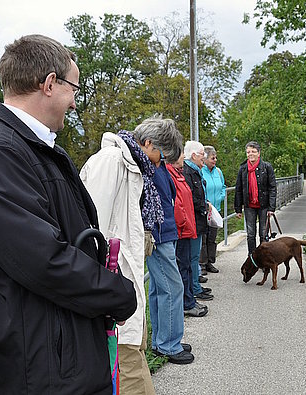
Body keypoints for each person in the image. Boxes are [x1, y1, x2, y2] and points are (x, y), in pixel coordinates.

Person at [0, 34, 137, 394]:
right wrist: (118, 294)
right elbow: (43, 259)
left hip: (65, 355)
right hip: (43, 369)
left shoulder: (35, 147)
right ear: (50, 84)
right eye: (74, 89)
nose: (75, 103)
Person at [80, 114, 181, 393]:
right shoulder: (112, 161)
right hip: (114, 282)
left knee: (133, 358)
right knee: (128, 368)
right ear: (148, 143)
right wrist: (105, 287)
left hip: (125, 283)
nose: (160, 164)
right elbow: (93, 227)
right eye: (161, 155)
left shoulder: (134, 166)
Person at [142, 118, 195, 364]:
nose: (164, 158)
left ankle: (162, 340)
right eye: (162, 152)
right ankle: (168, 344)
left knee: (158, 289)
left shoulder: (156, 163)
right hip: (158, 234)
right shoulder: (145, 165)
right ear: (149, 143)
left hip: (166, 232)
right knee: (172, 288)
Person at [166, 152, 210, 317]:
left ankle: (190, 299)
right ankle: (187, 303)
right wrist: (184, 222)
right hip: (181, 230)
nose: (183, 158)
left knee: (187, 265)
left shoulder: (178, 173)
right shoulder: (171, 174)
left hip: (187, 228)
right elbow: (177, 204)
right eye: (181, 155)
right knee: (183, 266)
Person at [183, 140, 214, 302]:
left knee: (194, 256)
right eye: (202, 154)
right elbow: (191, 198)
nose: (205, 157)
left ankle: (195, 286)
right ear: (194, 155)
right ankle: (194, 288)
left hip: (197, 220)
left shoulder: (194, 171)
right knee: (193, 256)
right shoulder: (188, 172)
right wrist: (204, 205)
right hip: (193, 221)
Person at [234, 141, 277, 254]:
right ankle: (252, 258)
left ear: (259, 153)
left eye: (253, 151)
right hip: (249, 206)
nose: (250, 154)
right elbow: (238, 189)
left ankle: (263, 258)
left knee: (263, 234)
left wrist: (271, 208)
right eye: (248, 152)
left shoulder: (267, 167)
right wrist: (238, 209)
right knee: (250, 234)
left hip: (263, 205)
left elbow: (272, 188)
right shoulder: (243, 169)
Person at [200, 145, 226, 274]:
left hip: (216, 209)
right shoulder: (200, 171)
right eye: (212, 158)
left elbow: (223, 186)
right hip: (205, 209)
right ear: (204, 159)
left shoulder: (218, 172)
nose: (215, 160)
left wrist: (221, 196)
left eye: (215, 158)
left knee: (212, 237)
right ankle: (202, 264)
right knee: (203, 237)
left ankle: (210, 261)